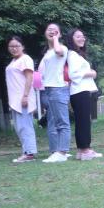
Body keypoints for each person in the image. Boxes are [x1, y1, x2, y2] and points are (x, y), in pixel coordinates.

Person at [65, 29, 102, 160]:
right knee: (84, 122)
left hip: (80, 91)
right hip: (79, 91)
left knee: (82, 121)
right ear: (71, 39)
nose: (82, 38)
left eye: (83, 36)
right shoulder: (72, 55)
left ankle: (82, 150)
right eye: (78, 36)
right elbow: (73, 74)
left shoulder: (77, 55)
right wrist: (92, 73)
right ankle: (85, 150)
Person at [37, 23, 71, 163]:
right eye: (49, 30)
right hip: (49, 89)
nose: (51, 31)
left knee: (62, 123)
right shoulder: (47, 53)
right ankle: (58, 151)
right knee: (55, 122)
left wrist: (56, 39)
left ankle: (62, 152)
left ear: (60, 34)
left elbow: (58, 52)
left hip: (58, 88)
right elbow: (41, 72)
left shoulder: (62, 48)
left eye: (55, 30)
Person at [5, 36, 38, 162]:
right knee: (19, 127)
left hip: (23, 98)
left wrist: (25, 96)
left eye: (16, 46)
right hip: (15, 99)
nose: (14, 49)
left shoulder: (25, 59)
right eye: (11, 46)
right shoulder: (13, 61)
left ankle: (29, 153)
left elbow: (30, 78)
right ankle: (26, 151)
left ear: (23, 47)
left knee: (25, 126)